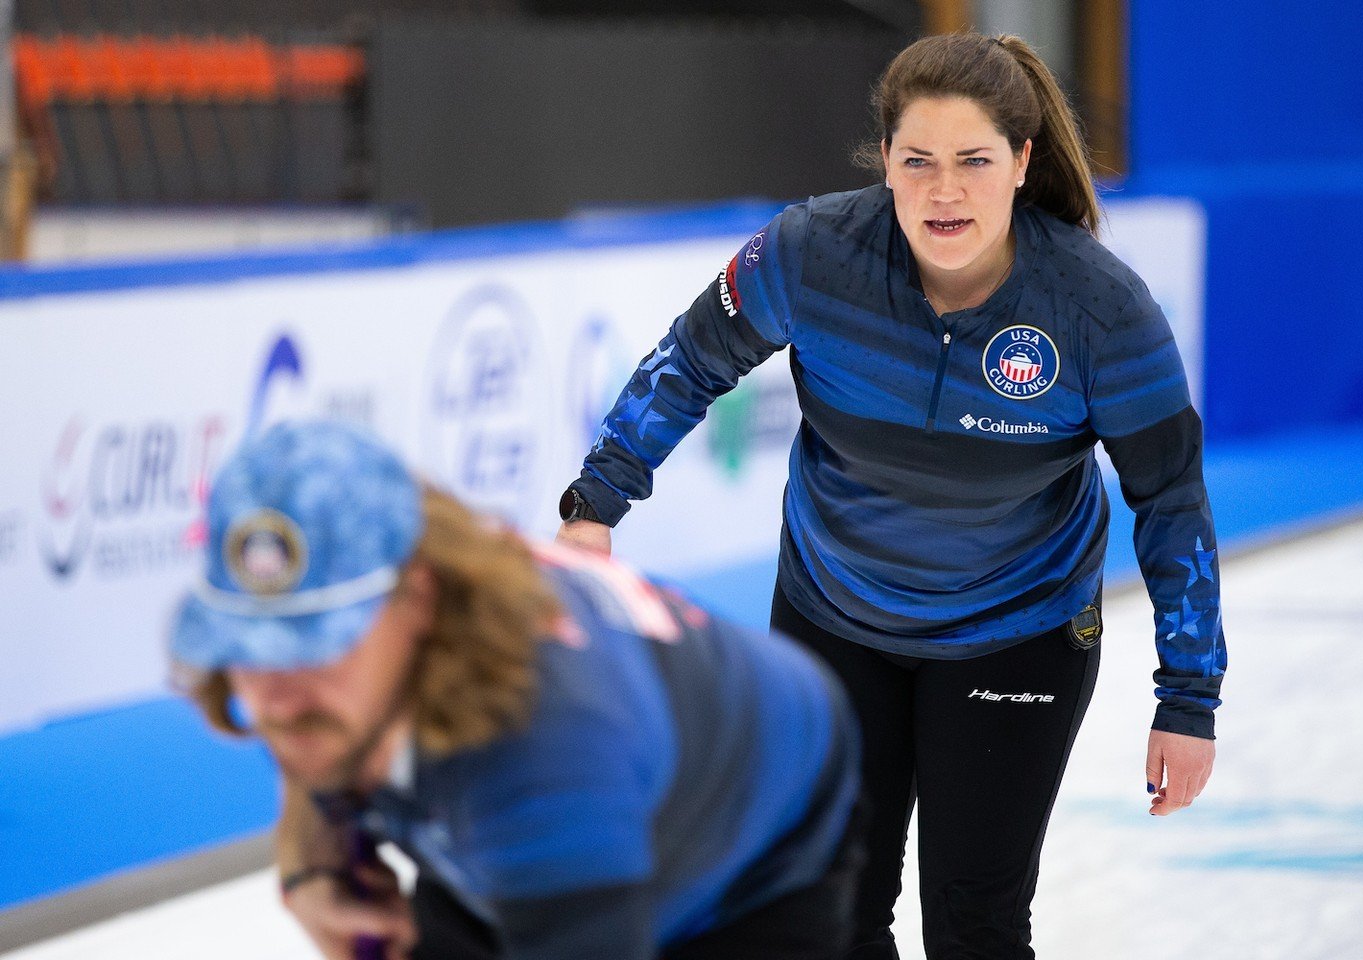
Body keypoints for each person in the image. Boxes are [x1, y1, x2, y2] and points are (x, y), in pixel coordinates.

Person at [555, 31, 1228, 960]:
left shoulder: (1101, 311)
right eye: (917, 163)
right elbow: (688, 363)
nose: (944, 191)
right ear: (885, 163)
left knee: (974, 926)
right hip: (835, 618)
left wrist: (1188, 698)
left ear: (1023, 163)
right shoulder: (810, 252)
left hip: (1017, 630)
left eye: (973, 162)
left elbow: (1172, 502)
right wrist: (594, 508)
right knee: (830, 919)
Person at [169, 419, 863, 960]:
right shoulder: (339, 684)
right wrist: (309, 863)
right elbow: (309, 726)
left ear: (418, 601)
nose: (279, 700)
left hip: (763, 835)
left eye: (319, 644)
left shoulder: (545, 756)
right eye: (246, 650)